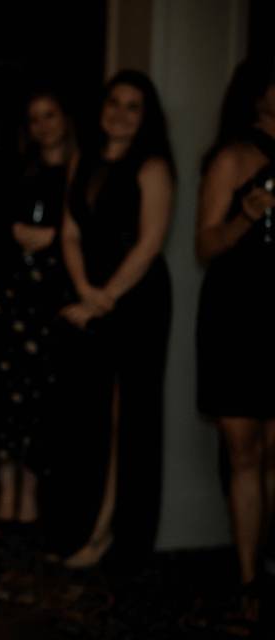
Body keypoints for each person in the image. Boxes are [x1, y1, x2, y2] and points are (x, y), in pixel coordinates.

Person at [57, 70, 174, 568]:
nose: (121, 113)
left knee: (128, 421)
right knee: (87, 416)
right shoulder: (83, 157)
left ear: (145, 117)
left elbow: (150, 244)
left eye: (133, 105)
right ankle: (81, 524)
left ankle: (115, 535)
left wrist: (102, 298)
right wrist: (84, 289)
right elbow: (70, 233)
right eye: (115, 102)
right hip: (90, 295)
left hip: (137, 301)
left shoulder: (152, 167)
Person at [0, 90, 75, 526]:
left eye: (50, 115)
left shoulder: (79, 171)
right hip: (6, 295)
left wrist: (55, 239)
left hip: (49, 298)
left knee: (40, 393)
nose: (43, 125)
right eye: (34, 118)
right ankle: (6, 482)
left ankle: (31, 486)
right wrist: (12, 231)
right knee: (0, 389)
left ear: (66, 119)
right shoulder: (14, 169)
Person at [195, 56, 275, 622]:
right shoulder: (232, 157)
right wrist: (246, 216)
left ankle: (267, 564)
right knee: (244, 454)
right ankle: (249, 580)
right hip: (238, 319)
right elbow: (206, 245)